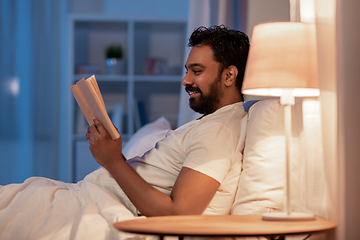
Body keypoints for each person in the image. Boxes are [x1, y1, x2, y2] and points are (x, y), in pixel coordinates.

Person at [86, 25, 250, 217]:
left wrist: (113, 162)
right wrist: (112, 156)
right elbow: (150, 182)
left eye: (196, 71)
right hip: (96, 199)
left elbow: (179, 212)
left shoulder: (219, 130)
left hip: (98, 207)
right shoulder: (213, 122)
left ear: (229, 75)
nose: (185, 81)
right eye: (187, 71)